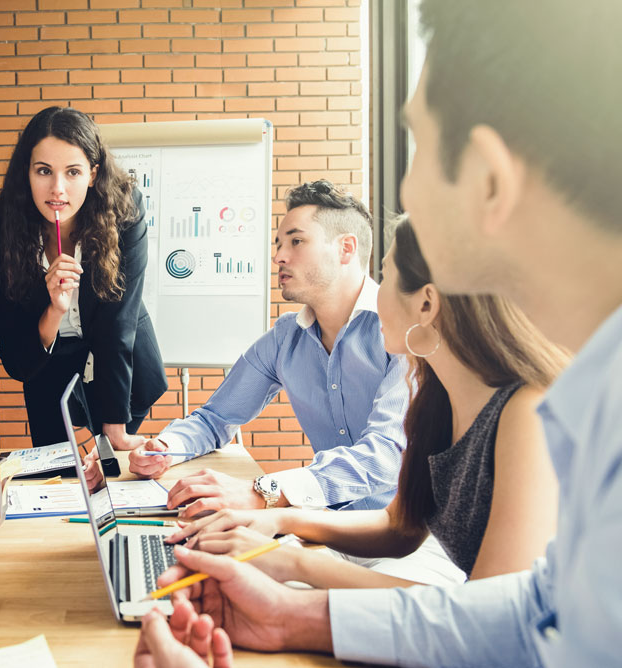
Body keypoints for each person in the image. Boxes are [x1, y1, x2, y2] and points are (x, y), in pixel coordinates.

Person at [137, 1, 622, 665]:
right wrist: (285, 609)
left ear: (486, 179)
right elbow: (530, 610)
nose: (404, 193)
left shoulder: (550, 410)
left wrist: (285, 548)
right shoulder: (579, 395)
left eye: (416, 148)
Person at [168, 217, 566, 589]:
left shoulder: (527, 411)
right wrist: (278, 519)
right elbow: (402, 526)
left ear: (426, 305)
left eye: (387, 276)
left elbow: (494, 612)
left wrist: (292, 563)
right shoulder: (435, 396)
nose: (375, 292)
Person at [131, 180, 410, 516]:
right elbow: (216, 417)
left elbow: (386, 454)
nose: (278, 256)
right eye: (279, 244)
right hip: (327, 525)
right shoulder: (285, 338)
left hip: (405, 538)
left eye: (296, 241)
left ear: (345, 249)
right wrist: (166, 448)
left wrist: (265, 492)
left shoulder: (405, 334)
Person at [0, 106, 167, 449]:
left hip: (120, 365)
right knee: (56, 472)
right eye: (43, 171)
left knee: (110, 465)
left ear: (93, 174)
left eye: (73, 172)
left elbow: (118, 322)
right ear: (26, 173)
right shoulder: (0, 238)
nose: (57, 189)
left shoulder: (124, 212)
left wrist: (113, 429)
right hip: (47, 363)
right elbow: (16, 356)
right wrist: (54, 309)